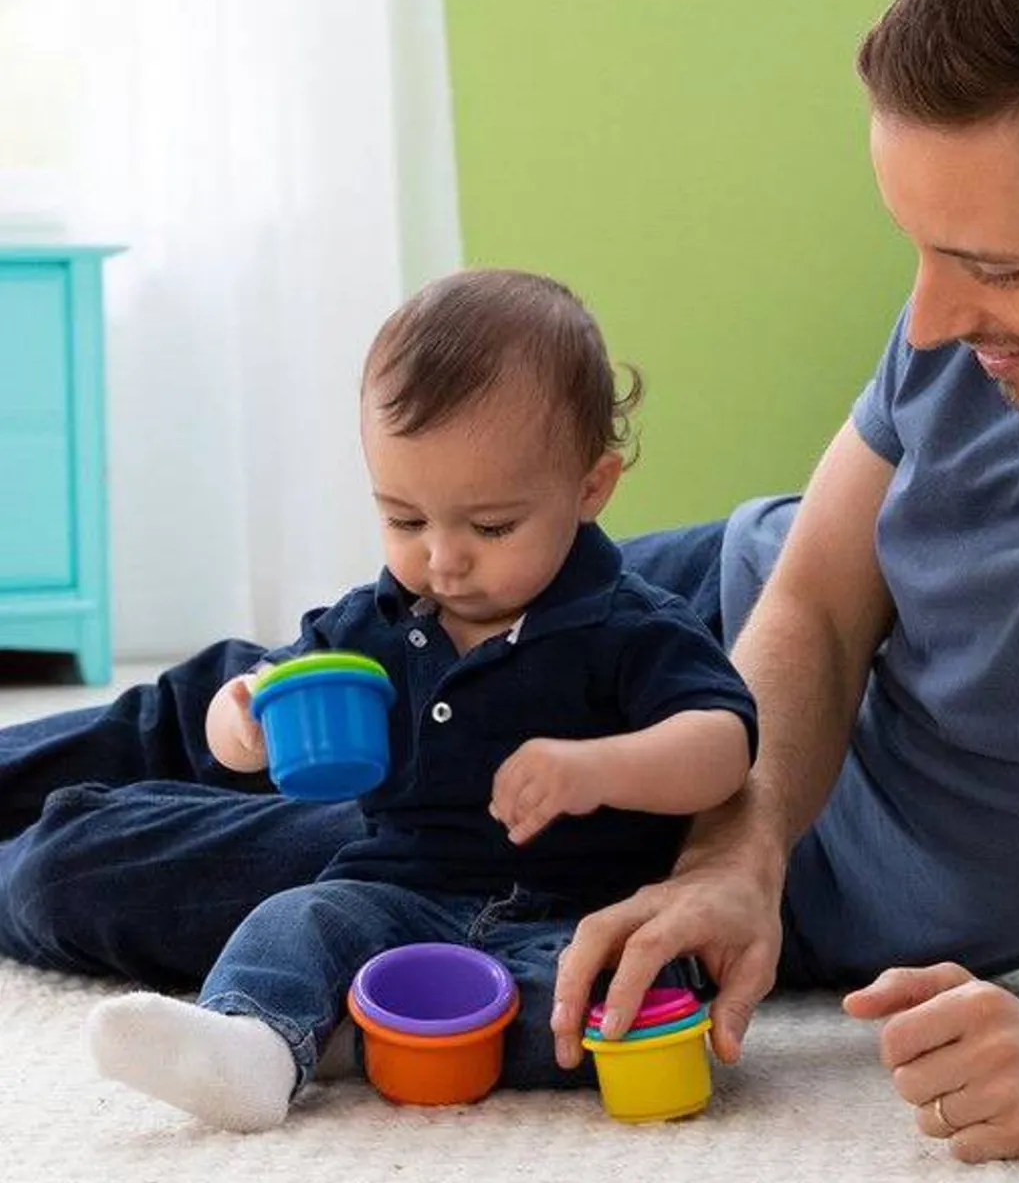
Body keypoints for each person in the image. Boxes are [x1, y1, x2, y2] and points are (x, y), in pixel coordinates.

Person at [0, 0, 1019, 1162]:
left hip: (654, 815)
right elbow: (821, 596)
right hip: (706, 625)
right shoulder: (1011, 268)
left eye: (993, 269)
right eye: (920, 249)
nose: (929, 320)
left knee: (85, 864)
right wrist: (739, 842)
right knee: (266, 690)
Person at [81, 268, 756, 1131]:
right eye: (405, 520)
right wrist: (241, 720)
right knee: (299, 919)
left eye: (492, 526)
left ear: (591, 487)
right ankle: (255, 1043)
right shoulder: (375, 620)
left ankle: (359, 1032)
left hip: (575, 912)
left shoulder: (629, 624)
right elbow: (263, 690)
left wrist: (600, 768)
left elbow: (724, 747)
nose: (443, 559)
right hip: (395, 892)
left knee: (616, 999)